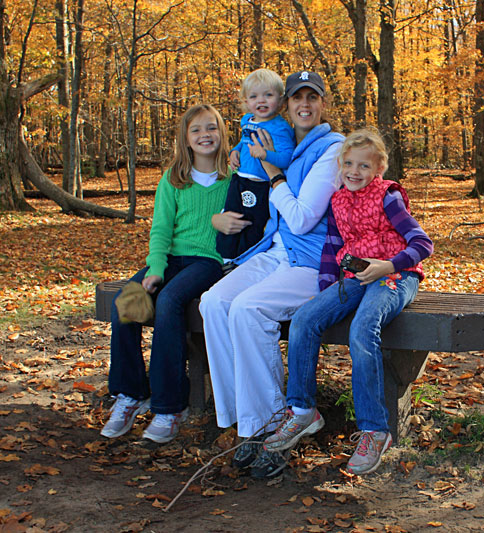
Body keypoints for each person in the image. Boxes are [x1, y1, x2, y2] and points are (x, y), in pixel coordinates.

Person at [262, 128, 433, 475]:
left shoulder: (388, 197)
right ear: (340, 166)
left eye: (364, 166)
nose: (355, 172)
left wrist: (390, 264)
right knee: (306, 319)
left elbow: (422, 243)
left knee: (362, 327)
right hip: (354, 276)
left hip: (395, 276)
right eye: (349, 164)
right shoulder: (338, 200)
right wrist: (326, 288)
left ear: (379, 169)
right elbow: (330, 248)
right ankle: (302, 410)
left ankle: (374, 429)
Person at [199, 71, 344, 479]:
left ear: (322, 104)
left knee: (248, 309)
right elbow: (257, 172)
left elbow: (300, 218)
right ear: (287, 104)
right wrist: (241, 156)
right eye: (297, 98)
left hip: (311, 262)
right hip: (275, 250)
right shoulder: (287, 139)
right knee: (214, 302)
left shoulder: (330, 150)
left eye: (311, 98)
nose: (303, 105)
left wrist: (272, 172)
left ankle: (272, 424)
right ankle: (245, 422)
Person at [100, 104, 232, 444]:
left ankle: (170, 405)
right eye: (197, 130)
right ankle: (131, 393)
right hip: (171, 258)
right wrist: (155, 268)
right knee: (126, 301)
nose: (205, 135)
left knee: (170, 302)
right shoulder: (173, 178)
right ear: (186, 139)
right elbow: (160, 231)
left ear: (221, 134)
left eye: (211, 128)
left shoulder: (233, 176)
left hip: (208, 261)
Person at [217, 68, 296, 260]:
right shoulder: (247, 121)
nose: (261, 101)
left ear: (280, 99)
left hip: (260, 184)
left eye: (268, 95)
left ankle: (247, 258)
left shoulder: (280, 128)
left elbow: (287, 157)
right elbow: (244, 141)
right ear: (246, 101)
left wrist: (266, 155)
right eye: (254, 96)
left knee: (252, 223)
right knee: (231, 215)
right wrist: (235, 151)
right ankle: (226, 258)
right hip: (239, 179)